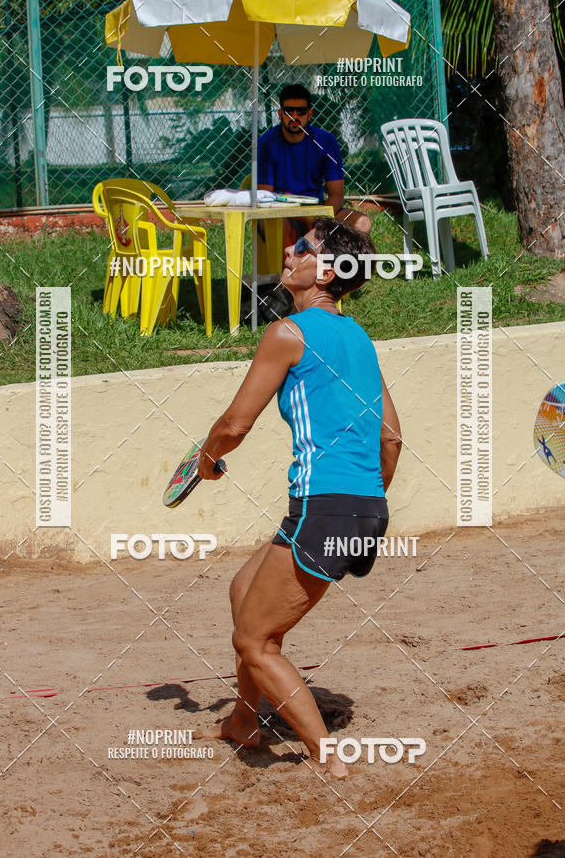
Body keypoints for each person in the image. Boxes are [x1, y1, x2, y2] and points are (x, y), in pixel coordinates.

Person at [196, 216, 402, 778]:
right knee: (244, 590)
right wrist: (365, 505)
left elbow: (236, 423)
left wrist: (207, 458)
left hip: (324, 505)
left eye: (304, 247)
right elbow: (392, 437)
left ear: (329, 270)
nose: (289, 248)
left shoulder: (289, 332)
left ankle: (329, 758)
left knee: (254, 639)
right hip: (359, 506)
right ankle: (243, 722)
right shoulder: (359, 338)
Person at [257, 83, 372, 242]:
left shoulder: (327, 141)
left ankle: (339, 267)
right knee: (282, 227)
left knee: (362, 223)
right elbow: (265, 199)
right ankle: (289, 268)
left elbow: (337, 194)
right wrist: (302, 218)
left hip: (318, 212)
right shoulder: (266, 143)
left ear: (309, 114)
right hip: (279, 214)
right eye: (289, 111)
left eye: (301, 112)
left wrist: (317, 221)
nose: (294, 117)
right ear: (280, 114)